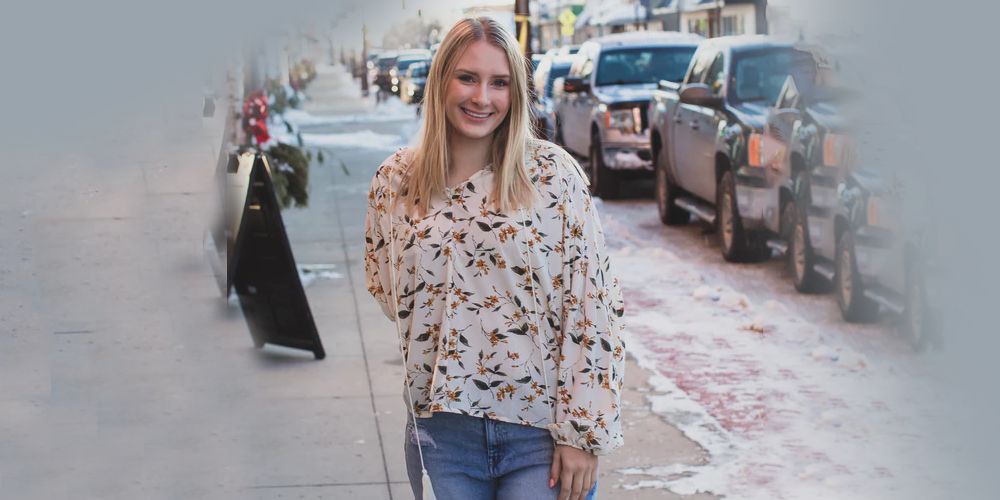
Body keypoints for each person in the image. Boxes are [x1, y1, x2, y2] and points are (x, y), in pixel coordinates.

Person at [364, 16, 626, 500]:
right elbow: (387, 290)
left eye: (499, 82)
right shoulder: (393, 182)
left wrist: (583, 433)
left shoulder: (551, 176)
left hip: (540, 434)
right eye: (467, 77)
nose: (482, 97)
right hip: (442, 435)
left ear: (516, 92)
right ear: (441, 78)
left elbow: (594, 308)